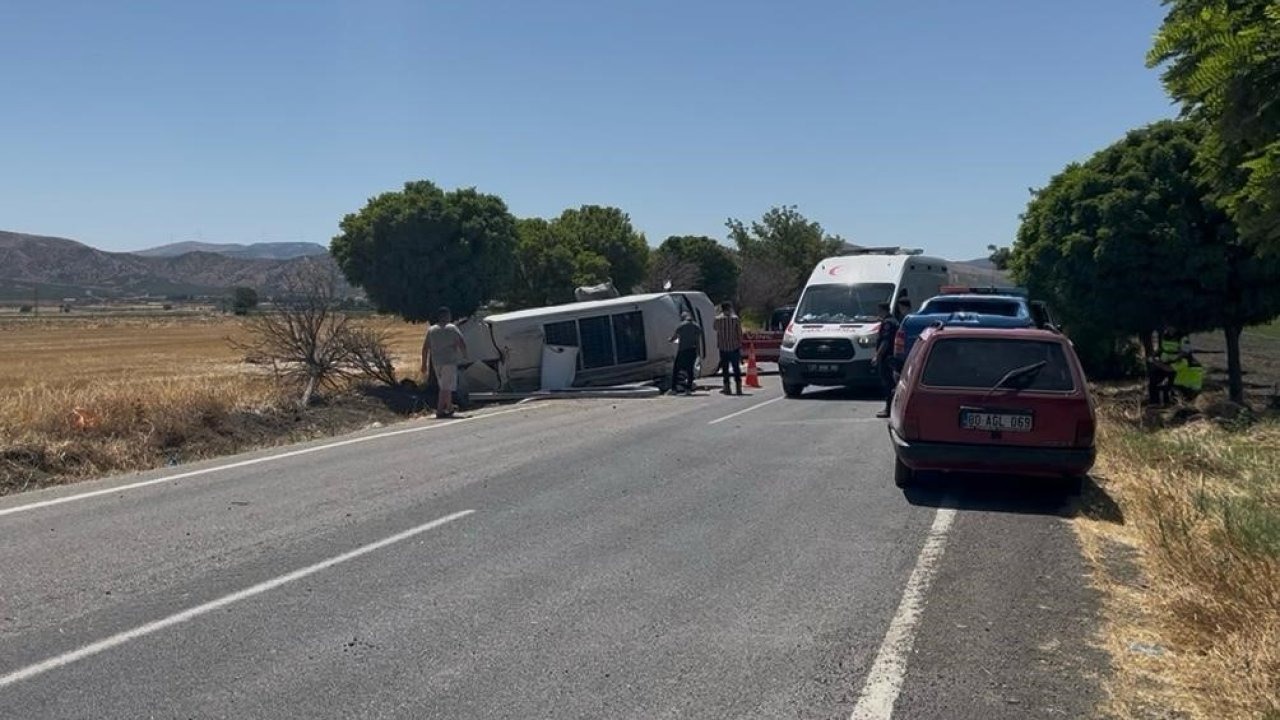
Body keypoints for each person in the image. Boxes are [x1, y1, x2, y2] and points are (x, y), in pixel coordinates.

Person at [422, 306, 467, 418]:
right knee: (446, 387)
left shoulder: (431, 330)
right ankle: (441, 409)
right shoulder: (452, 328)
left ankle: (448, 407)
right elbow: (461, 342)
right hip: (449, 360)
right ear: (447, 316)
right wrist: (465, 355)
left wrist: (424, 364)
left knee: (444, 385)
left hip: (436, 362)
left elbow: (425, 348)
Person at [873, 300, 901, 418]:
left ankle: (888, 410)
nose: (877, 313)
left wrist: (877, 356)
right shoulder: (893, 321)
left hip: (887, 358)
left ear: (882, 310)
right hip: (892, 357)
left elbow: (885, 342)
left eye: (878, 311)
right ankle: (892, 409)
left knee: (888, 384)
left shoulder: (888, 323)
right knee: (891, 384)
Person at [713, 301, 744, 395]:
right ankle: (738, 388)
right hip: (734, 347)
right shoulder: (735, 319)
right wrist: (739, 343)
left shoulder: (718, 319)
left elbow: (714, 328)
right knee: (736, 368)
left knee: (725, 368)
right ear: (730, 308)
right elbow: (739, 333)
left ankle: (727, 387)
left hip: (723, 347)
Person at [668, 311, 703, 394]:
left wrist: (670, 339)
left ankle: (674, 389)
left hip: (683, 350)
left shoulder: (681, 326)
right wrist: (698, 351)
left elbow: (674, 337)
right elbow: (697, 340)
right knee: (690, 370)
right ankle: (688, 389)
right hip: (692, 350)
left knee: (676, 369)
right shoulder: (696, 326)